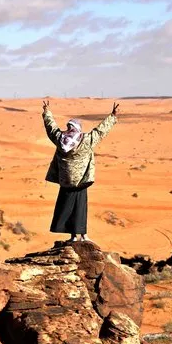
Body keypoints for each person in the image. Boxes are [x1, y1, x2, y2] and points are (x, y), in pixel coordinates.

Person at [42, 99, 119, 242]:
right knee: (80, 208)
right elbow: (101, 131)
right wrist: (113, 116)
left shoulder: (60, 139)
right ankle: (83, 235)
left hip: (65, 181)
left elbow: (51, 127)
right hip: (81, 181)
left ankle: (73, 236)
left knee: (67, 206)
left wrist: (47, 112)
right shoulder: (87, 140)